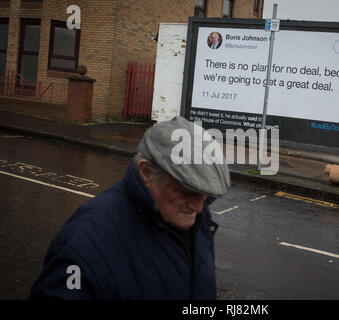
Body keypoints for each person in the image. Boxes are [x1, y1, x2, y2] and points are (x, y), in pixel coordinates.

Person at [28, 116, 230, 300]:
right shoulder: (86, 244)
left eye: (203, 193)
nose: (198, 205)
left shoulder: (197, 215)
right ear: (146, 172)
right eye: (184, 192)